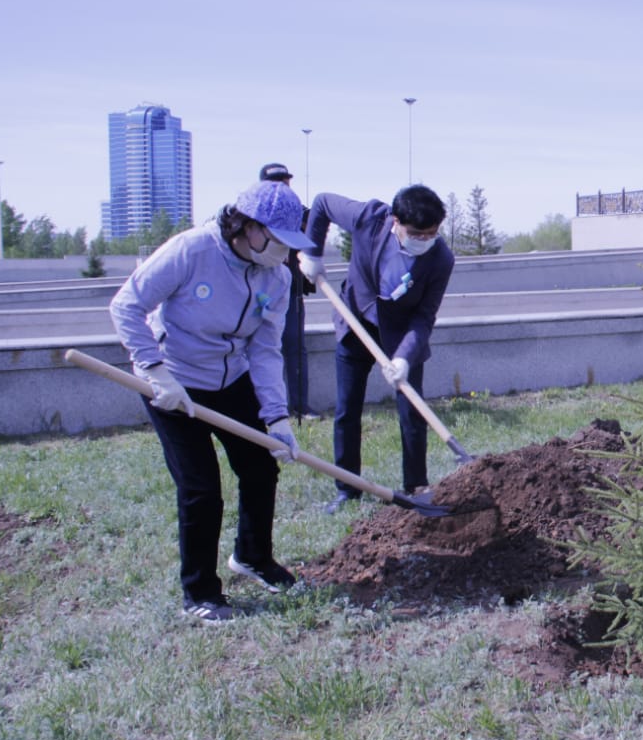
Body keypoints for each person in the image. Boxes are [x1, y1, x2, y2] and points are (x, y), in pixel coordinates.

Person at [110, 180, 316, 623]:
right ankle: (200, 593)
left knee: (260, 467)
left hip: (230, 378)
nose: (283, 252)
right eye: (277, 241)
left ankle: (252, 557)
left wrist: (276, 418)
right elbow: (127, 305)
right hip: (173, 381)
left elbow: (264, 350)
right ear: (247, 226)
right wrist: (154, 370)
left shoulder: (277, 277)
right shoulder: (191, 250)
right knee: (201, 488)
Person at [297, 184, 454, 514]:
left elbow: (425, 316)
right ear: (396, 221)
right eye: (417, 233)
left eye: (432, 233)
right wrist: (311, 252)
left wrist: (403, 357)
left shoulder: (440, 259)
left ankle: (415, 486)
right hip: (356, 321)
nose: (425, 240)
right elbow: (323, 202)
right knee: (347, 410)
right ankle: (347, 488)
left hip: (401, 335)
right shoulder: (369, 217)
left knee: (412, 412)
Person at [258, 162, 318, 421]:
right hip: (260, 291)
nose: (283, 186)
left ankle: (300, 405)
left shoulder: (299, 213)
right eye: (276, 182)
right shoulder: (254, 213)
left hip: (291, 289)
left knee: (295, 345)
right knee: (258, 348)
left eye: (286, 182)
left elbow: (315, 226)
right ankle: (262, 409)